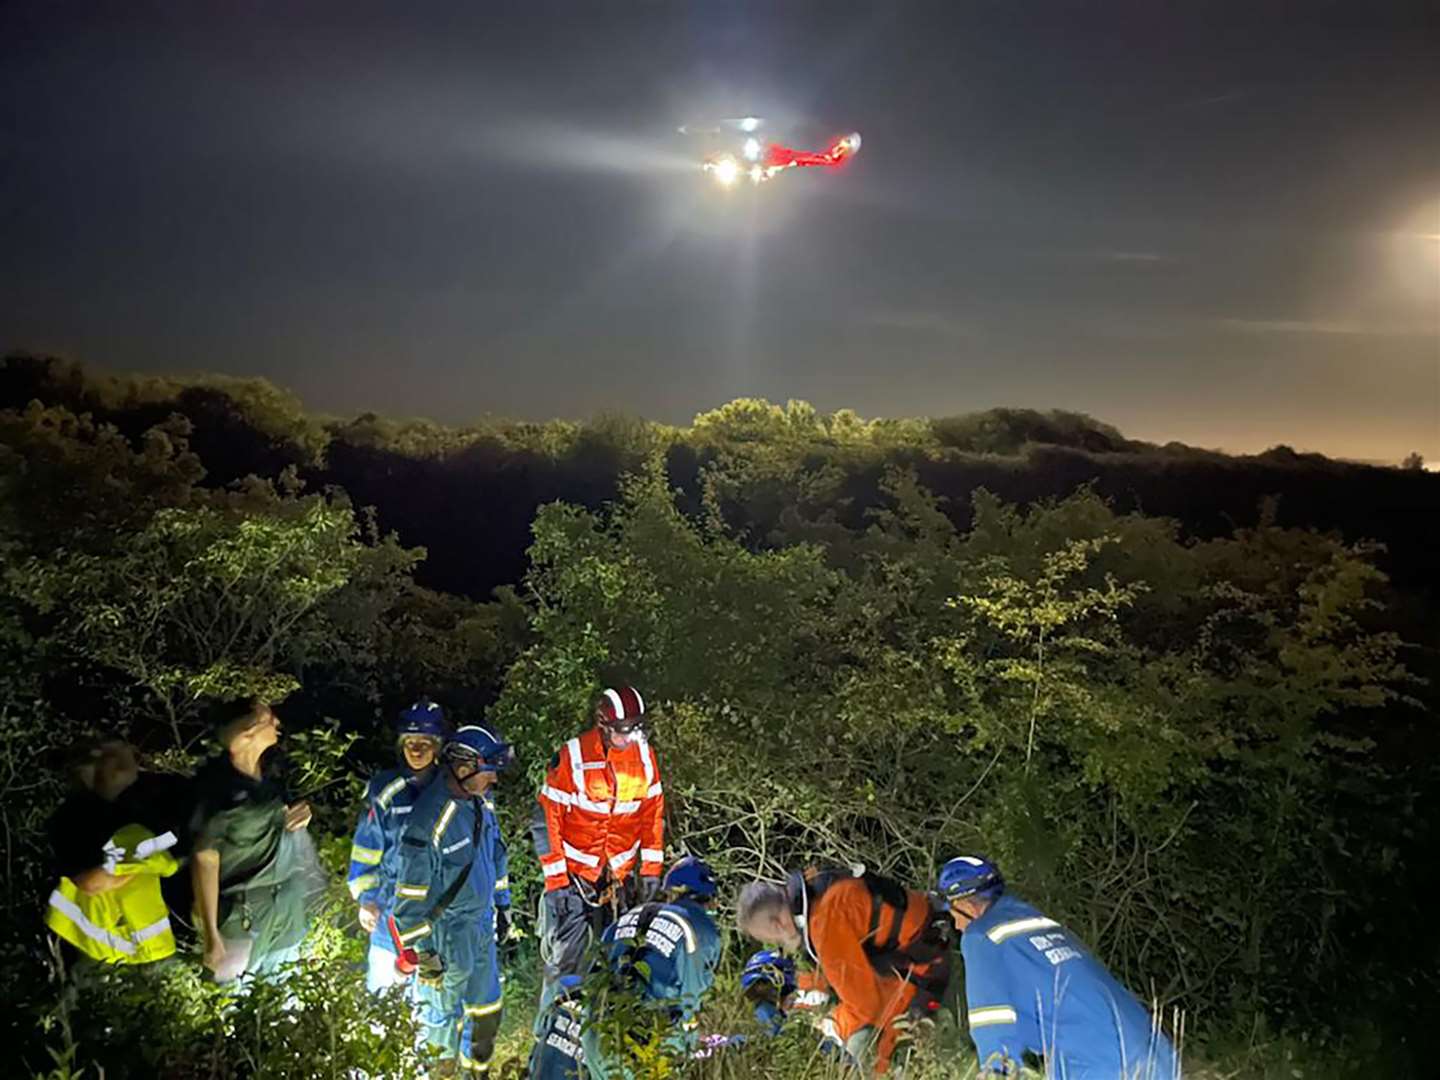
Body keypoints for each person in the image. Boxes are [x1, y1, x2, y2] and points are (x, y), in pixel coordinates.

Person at [937, 855, 1179, 1080]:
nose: (956, 925)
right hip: (1156, 1052)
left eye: (953, 912)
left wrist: (996, 1073)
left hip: (1096, 1064)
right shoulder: (1042, 924)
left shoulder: (981, 935)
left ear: (966, 905)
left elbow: (990, 1020)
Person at [736, 865, 952, 1074]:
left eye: (769, 939)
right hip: (914, 950)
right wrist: (801, 995)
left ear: (777, 925)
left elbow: (866, 1006)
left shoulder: (825, 924)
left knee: (860, 1048)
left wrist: (827, 1024)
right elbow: (832, 969)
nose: (776, 944)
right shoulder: (817, 890)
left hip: (920, 970)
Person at [391, 724, 513, 1077]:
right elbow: (410, 896)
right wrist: (421, 953)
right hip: (444, 937)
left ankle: (477, 1073)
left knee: (487, 1010)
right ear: (463, 768)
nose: (493, 780)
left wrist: (502, 906)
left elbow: (497, 855)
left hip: (480, 930)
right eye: (488, 772)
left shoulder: (480, 805)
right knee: (440, 1023)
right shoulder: (429, 819)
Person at [531, 855, 721, 1080]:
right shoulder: (702, 930)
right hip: (646, 1041)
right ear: (707, 897)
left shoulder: (626, 919)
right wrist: (689, 1046)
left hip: (596, 1033)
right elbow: (692, 997)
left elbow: (595, 976)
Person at [534, 686, 665, 988]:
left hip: (619, 877)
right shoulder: (573, 755)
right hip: (575, 877)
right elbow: (546, 818)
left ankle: (607, 1026)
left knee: (622, 959)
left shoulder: (644, 757)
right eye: (623, 731)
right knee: (566, 961)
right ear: (603, 726)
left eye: (636, 730)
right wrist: (556, 884)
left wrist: (650, 872)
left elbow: (652, 815)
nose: (629, 739)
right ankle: (553, 1026)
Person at [191, 698, 316, 983]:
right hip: (243, 914)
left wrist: (299, 816)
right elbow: (205, 861)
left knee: (286, 997)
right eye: (268, 719)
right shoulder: (217, 790)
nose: (277, 723)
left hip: (285, 907)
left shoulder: (267, 780)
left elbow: (271, 826)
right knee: (234, 1002)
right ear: (246, 734)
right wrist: (211, 935)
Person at [347, 697, 447, 993]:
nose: (416, 750)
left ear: (438, 746)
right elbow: (367, 846)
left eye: (425, 743)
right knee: (383, 995)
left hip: (436, 913)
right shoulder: (384, 789)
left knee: (430, 999)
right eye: (410, 742)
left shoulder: (450, 789)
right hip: (389, 912)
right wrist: (366, 897)